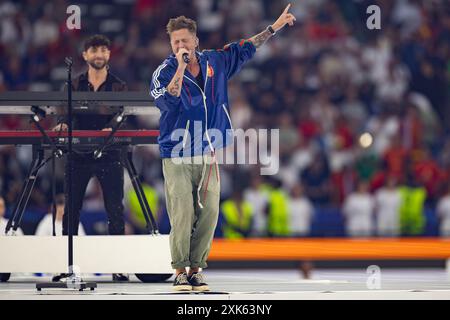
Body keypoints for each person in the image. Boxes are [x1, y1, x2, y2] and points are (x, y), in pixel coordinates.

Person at [150, 5, 296, 291]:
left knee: (210, 213)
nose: (180, 45)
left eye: (184, 41)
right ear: (171, 45)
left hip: (208, 151)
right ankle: (179, 270)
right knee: (182, 212)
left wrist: (274, 27)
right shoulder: (164, 72)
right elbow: (167, 100)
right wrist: (180, 66)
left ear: (196, 41)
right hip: (176, 153)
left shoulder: (216, 61)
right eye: (175, 42)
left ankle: (196, 269)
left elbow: (246, 48)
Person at [52, 34, 129, 282]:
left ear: (109, 55)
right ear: (85, 55)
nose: (99, 54)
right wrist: (62, 125)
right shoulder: (72, 85)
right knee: (71, 209)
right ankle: (67, 264)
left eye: (104, 50)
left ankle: (119, 265)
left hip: (110, 153)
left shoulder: (119, 86)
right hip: (78, 153)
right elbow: (63, 114)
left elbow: (123, 115)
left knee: (115, 209)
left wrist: (111, 127)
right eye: (94, 50)